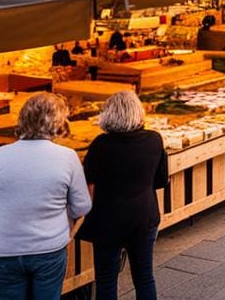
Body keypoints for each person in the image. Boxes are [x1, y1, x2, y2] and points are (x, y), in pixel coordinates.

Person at [0, 92, 91, 300]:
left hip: (5, 251)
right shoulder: (68, 157)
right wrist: (60, 213)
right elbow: (82, 206)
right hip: (49, 249)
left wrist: (4, 209)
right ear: (58, 122)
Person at [79, 90, 169, 300]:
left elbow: (88, 184)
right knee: (144, 278)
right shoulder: (154, 140)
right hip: (143, 218)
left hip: (107, 222)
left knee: (106, 281)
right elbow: (161, 181)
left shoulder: (100, 146)